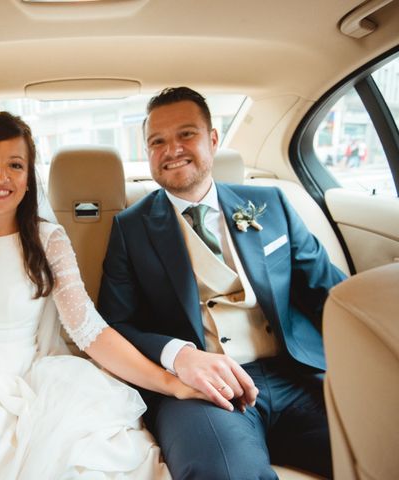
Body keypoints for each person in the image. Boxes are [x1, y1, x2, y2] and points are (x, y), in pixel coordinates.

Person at [0, 111, 202, 479]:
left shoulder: (48, 242)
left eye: (15, 165)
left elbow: (89, 331)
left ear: (29, 178)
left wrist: (169, 381)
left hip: (16, 384)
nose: (1, 176)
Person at [98, 87, 347, 479]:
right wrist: (180, 355)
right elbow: (115, 324)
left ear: (212, 140)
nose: (172, 149)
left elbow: (331, 293)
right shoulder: (130, 228)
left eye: (186, 135)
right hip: (203, 392)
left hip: (294, 374)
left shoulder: (273, 204)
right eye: (157, 141)